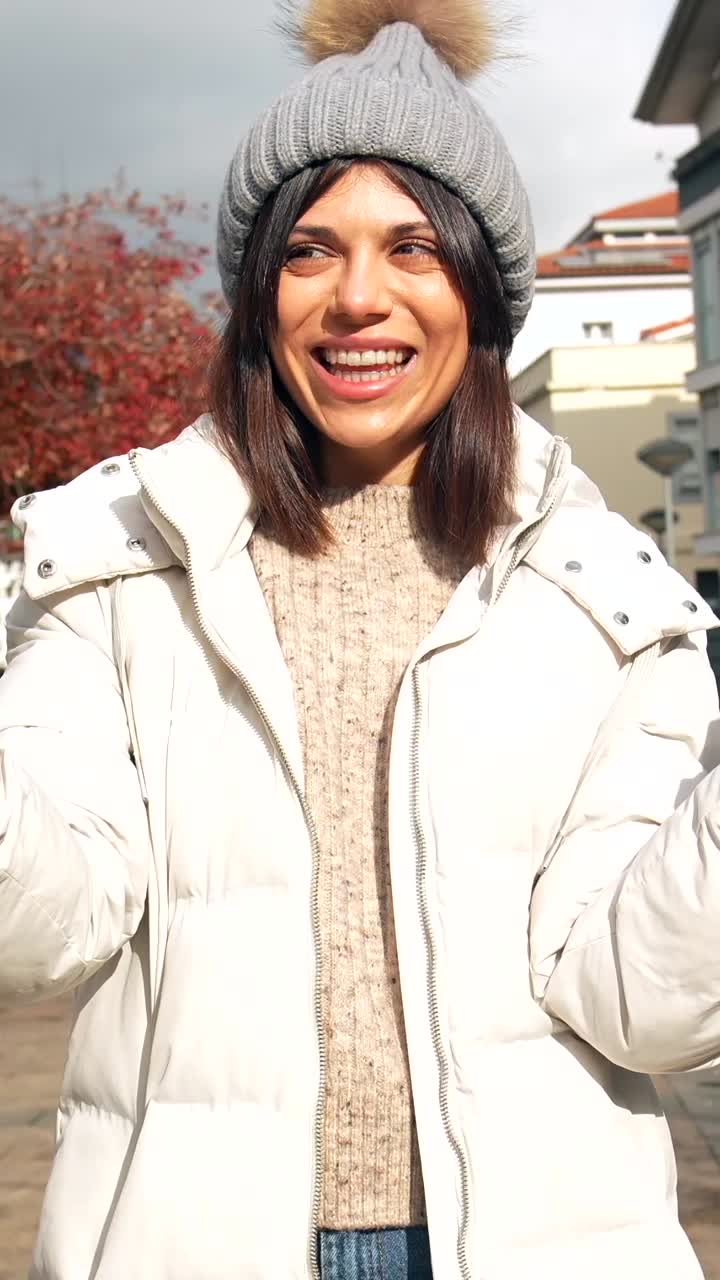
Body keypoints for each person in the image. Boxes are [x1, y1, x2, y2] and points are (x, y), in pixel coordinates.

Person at [3, 0, 720, 1277]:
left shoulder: (610, 598)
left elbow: (645, 1000)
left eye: (414, 248)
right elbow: (45, 920)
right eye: (310, 251)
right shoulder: (116, 569)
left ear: (484, 291)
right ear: (255, 288)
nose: (358, 299)